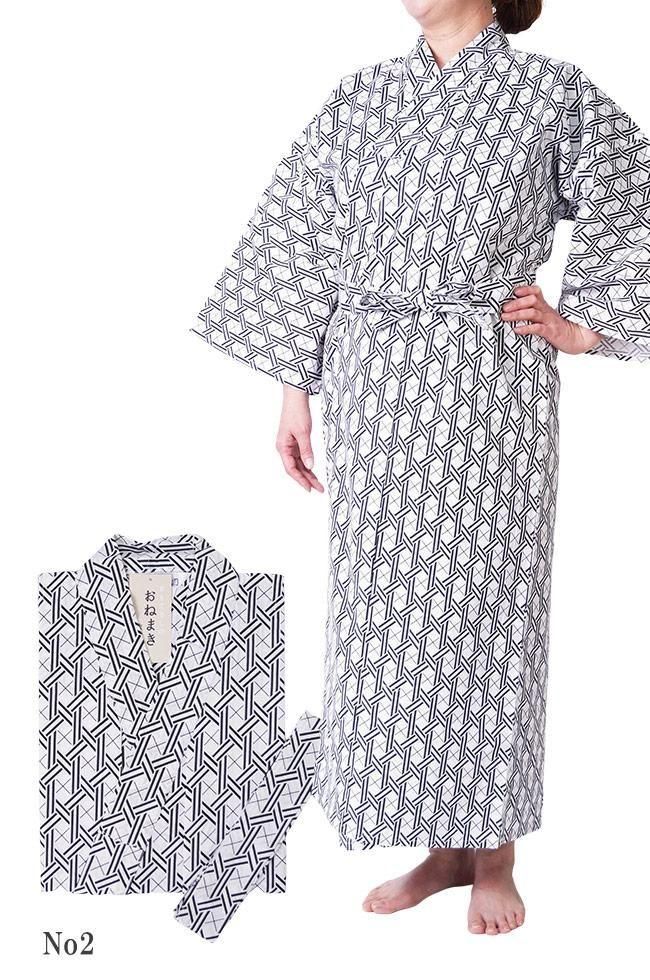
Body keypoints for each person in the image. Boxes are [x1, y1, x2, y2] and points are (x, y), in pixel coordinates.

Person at [192, 0, 650, 934]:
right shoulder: (361, 96)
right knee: (387, 611)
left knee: (487, 605)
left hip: (487, 381)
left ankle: (494, 852)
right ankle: (439, 846)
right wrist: (295, 389)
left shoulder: (552, 93)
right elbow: (304, 239)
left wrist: (583, 328)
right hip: (373, 381)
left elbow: (634, 195)